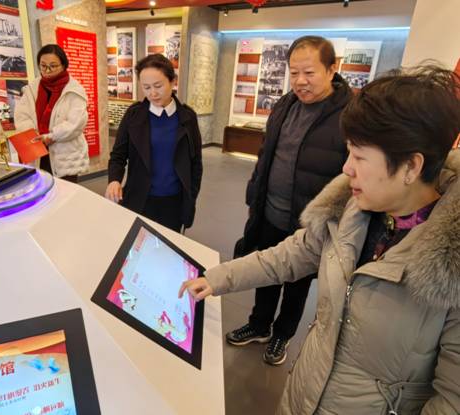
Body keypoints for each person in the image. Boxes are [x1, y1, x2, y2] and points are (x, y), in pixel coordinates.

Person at [181, 65, 460, 415]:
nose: (346, 168)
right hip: (303, 395)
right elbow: (288, 255)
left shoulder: (451, 270)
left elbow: (452, 399)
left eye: (360, 157)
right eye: (348, 152)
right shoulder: (351, 212)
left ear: (410, 167)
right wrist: (217, 277)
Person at [227, 36, 352, 366]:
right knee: (266, 270)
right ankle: (259, 324)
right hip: (271, 211)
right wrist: (254, 195)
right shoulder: (285, 105)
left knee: (297, 282)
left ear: (332, 69)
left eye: (309, 73)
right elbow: (266, 155)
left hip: (310, 223)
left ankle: (282, 334)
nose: (300, 81)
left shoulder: (349, 116)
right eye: (293, 72)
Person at [106, 54, 203, 232]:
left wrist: (191, 196)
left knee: (168, 243)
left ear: (173, 82)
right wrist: (114, 180)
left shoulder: (187, 117)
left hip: (174, 201)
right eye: (146, 87)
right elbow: (118, 155)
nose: (152, 93)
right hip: (139, 198)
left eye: (158, 86)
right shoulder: (134, 115)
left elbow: (196, 163)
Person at [14, 44, 89, 182]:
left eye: (53, 66)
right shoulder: (32, 88)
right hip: (37, 151)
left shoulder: (74, 90)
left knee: (65, 191)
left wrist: (52, 136)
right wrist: (33, 134)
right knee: (40, 189)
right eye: (43, 66)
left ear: (63, 65)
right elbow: (21, 115)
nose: (47, 70)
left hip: (64, 155)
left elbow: (75, 124)